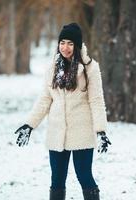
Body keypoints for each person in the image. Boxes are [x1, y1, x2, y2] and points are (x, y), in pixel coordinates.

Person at [14, 23, 111, 200]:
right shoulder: (52, 68)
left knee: (84, 176)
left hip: (81, 132)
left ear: (78, 45)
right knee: (57, 180)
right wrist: (29, 125)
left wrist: (101, 130)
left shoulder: (90, 68)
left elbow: (96, 100)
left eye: (70, 43)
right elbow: (45, 99)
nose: (65, 47)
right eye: (62, 42)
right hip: (57, 133)